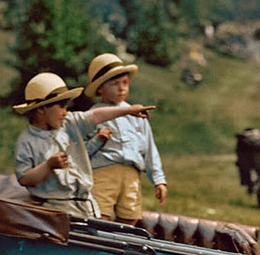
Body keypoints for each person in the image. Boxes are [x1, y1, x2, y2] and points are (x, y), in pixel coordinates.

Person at [13, 71, 156, 217]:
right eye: (61, 106)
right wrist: (48, 166)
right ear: (41, 109)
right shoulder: (27, 141)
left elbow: (95, 115)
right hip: (55, 207)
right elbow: (24, 178)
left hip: (86, 204)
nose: (65, 112)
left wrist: (129, 110)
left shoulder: (69, 123)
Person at [85, 53, 167, 221]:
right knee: (99, 215)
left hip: (131, 175)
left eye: (125, 83)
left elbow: (149, 148)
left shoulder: (136, 113)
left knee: (130, 217)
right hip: (103, 172)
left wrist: (158, 180)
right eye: (115, 84)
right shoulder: (92, 116)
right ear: (100, 87)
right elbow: (79, 152)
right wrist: (97, 141)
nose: (121, 88)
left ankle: (122, 244)